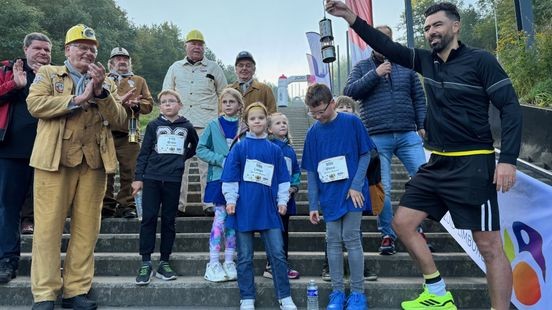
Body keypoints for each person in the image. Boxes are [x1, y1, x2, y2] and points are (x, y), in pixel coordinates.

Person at [327, 2, 522, 310]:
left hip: (474, 163)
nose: (431, 31)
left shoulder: (481, 61)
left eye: (438, 25)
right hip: (438, 162)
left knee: (489, 246)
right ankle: (438, 293)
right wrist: (351, 18)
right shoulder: (425, 61)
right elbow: (385, 45)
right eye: (428, 27)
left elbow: (510, 108)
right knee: (402, 223)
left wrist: (508, 158)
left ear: (455, 26)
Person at [26, 24, 127, 310]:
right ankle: (45, 294)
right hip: (53, 160)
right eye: (81, 46)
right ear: (67, 50)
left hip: (94, 162)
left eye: (92, 48)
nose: (87, 51)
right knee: (47, 229)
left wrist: (102, 94)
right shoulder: (48, 74)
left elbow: (121, 120)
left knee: (86, 230)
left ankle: (76, 291)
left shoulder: (107, 82)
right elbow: (35, 104)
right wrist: (76, 99)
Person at [343, 25, 428, 256]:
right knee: (383, 189)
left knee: (423, 182)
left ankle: (417, 230)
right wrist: (376, 73)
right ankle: (388, 235)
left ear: (392, 40)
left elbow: (418, 97)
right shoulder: (362, 67)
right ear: (371, 42)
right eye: (378, 39)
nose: (382, 43)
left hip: (408, 133)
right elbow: (350, 91)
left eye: (387, 39)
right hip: (376, 136)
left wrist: (422, 124)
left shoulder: (406, 64)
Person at [302, 84, 373, 309]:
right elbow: (312, 171)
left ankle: (358, 293)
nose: (318, 116)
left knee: (351, 238)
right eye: (313, 114)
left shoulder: (352, 122)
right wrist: (313, 204)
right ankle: (337, 292)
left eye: (321, 111)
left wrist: (356, 185)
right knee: (332, 241)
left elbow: (365, 154)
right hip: (329, 195)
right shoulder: (313, 132)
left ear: (332, 103)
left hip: (353, 193)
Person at [221, 102, 297, 310]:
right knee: (245, 257)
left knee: (278, 255)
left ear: (266, 122)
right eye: (253, 118)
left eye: (261, 118)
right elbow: (230, 177)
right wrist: (230, 200)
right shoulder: (239, 147)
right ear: (247, 122)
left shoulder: (274, 149)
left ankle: (285, 296)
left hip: (268, 210)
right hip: (243, 209)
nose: (257, 121)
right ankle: (247, 297)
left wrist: (282, 201)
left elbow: (283, 178)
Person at [132, 89, 199, 286]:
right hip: (151, 178)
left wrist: (181, 160)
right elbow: (143, 153)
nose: (168, 104)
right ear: (160, 106)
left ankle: (164, 261)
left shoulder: (187, 127)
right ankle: (145, 262)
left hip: (173, 179)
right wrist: (138, 178)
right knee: (149, 218)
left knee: (169, 220)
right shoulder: (153, 125)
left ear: (180, 104)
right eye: (163, 102)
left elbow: (195, 147)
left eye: (172, 101)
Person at [0, 32, 51, 285]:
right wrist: (14, 86)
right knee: (8, 207)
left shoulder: (54, 74)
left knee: (48, 211)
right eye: (38, 48)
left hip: (47, 152)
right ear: (25, 49)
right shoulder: (8, 69)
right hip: (11, 150)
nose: (43, 53)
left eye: (47, 50)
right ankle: (8, 259)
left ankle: (46, 266)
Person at [163, 29, 228, 216]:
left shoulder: (214, 68)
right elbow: (167, 94)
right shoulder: (175, 67)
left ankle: (208, 203)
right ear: (186, 46)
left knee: (206, 166)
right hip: (179, 123)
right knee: (178, 165)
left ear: (204, 47)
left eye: (200, 44)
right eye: (193, 43)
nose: (196, 47)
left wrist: (222, 121)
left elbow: (224, 94)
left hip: (207, 124)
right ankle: (177, 204)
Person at [318, 95, 378, 283]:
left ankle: (360, 269)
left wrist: (357, 183)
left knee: (354, 233)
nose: (344, 110)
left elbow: (371, 157)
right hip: (334, 191)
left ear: (355, 113)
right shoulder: (324, 132)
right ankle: (328, 265)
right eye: (341, 107)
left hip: (356, 190)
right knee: (332, 235)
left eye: (348, 107)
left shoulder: (357, 129)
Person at [103, 47, 154, 219]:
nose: (122, 61)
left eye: (125, 59)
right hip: (106, 129)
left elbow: (149, 104)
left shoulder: (138, 80)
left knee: (130, 169)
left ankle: (127, 204)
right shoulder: (103, 79)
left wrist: (137, 105)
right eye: (117, 59)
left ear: (130, 62)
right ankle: (106, 204)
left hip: (129, 129)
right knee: (106, 169)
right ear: (111, 63)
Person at [197, 88, 242, 282]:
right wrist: (220, 159)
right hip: (218, 178)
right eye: (224, 102)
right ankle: (213, 262)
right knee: (220, 219)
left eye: (232, 101)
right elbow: (200, 148)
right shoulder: (213, 125)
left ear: (240, 105)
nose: (228, 105)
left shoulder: (245, 125)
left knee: (232, 222)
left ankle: (229, 260)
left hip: (239, 179)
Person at [263, 112, 300, 280]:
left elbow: (296, 172)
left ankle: (282, 263)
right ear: (269, 129)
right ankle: (271, 264)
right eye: (277, 123)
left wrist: (293, 187)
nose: (282, 125)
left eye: (284, 122)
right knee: (273, 232)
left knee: (284, 232)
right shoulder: (268, 147)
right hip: (271, 198)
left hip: (287, 198)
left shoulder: (290, 149)